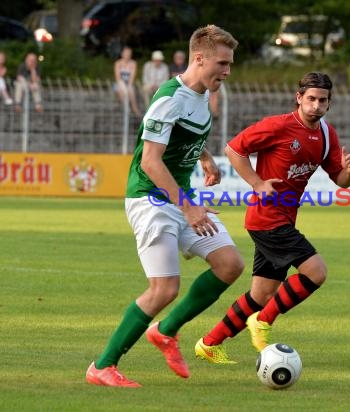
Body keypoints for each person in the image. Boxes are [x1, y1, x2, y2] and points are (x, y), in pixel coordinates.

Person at [86, 25, 243, 387]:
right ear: (199, 58)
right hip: (151, 199)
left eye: (230, 64)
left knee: (229, 264)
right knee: (164, 289)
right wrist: (188, 207)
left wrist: (205, 158)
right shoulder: (169, 97)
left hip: (179, 196)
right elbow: (150, 163)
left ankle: (166, 331)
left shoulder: (201, 94)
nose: (227, 71)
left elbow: (184, 133)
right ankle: (102, 366)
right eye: (222, 63)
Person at [193, 72, 350, 363]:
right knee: (316, 272)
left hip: (282, 219)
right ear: (299, 98)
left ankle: (209, 343)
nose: (316, 105)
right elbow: (234, 149)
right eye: (310, 99)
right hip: (268, 218)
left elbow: (340, 180)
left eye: (322, 100)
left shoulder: (326, 134)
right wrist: (258, 183)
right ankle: (263, 321)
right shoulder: (279, 126)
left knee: (261, 294)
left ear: (329, 103)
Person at [114, 46, 140, 117]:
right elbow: (118, 78)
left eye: (129, 53)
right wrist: (125, 89)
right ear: (122, 54)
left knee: (130, 89)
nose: (127, 55)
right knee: (122, 90)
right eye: (126, 53)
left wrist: (128, 86)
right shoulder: (118, 63)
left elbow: (132, 77)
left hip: (129, 83)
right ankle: (128, 108)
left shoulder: (133, 63)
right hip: (119, 83)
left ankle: (133, 108)